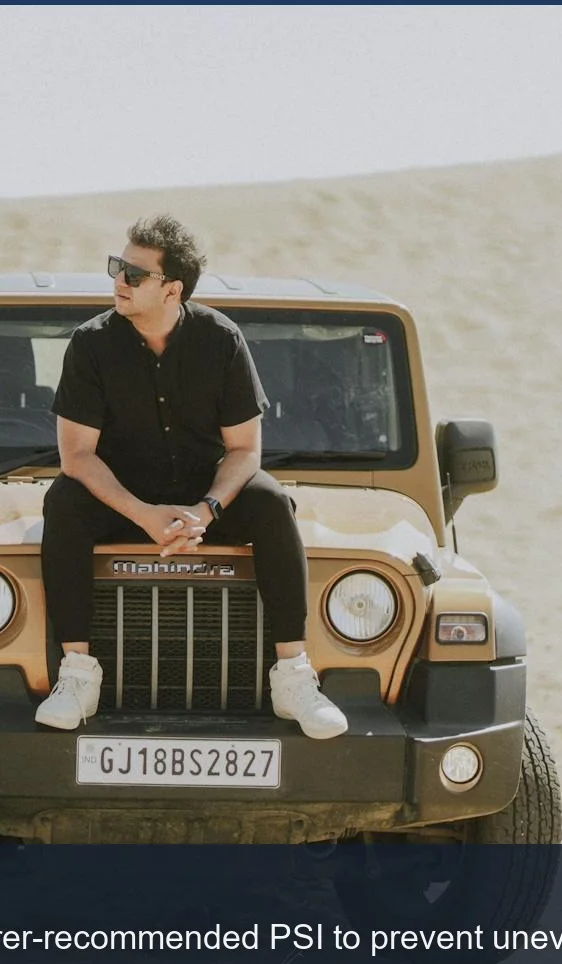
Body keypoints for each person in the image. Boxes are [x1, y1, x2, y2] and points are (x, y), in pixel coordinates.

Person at [34, 215, 347, 739]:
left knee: (272, 503)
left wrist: (207, 509)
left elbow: (245, 450)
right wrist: (143, 515)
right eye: (117, 267)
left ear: (172, 289)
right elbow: (78, 456)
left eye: (134, 274)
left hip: (203, 498)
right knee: (63, 500)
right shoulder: (90, 344)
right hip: (122, 499)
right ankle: (77, 676)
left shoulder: (220, 339)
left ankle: (294, 677)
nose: (119, 281)